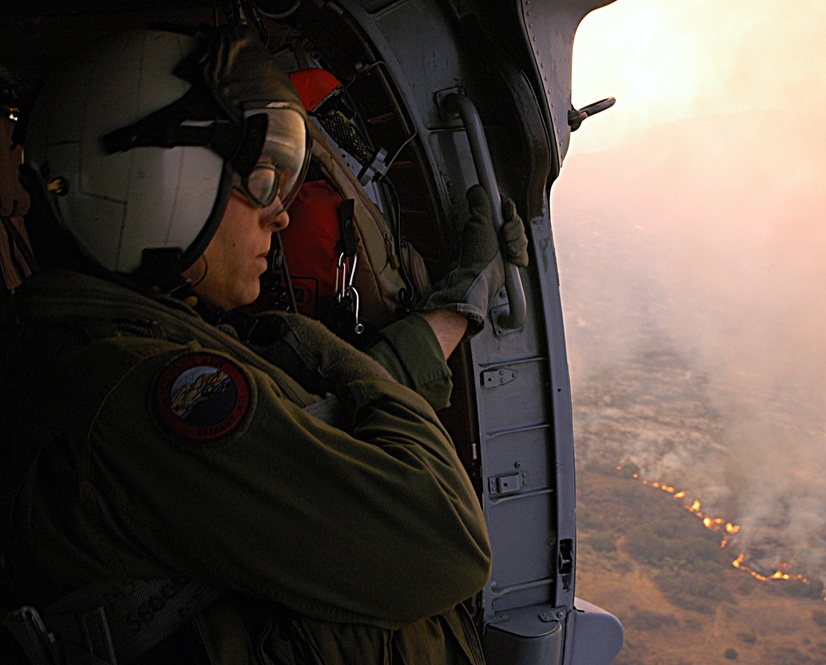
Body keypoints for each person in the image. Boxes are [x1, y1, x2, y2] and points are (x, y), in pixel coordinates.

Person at [0, 24, 527, 665]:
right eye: (258, 180)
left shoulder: (125, 346)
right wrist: (332, 356)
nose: (279, 214)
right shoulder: (132, 396)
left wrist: (458, 308)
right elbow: (445, 539)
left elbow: (312, 426)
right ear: (154, 184)